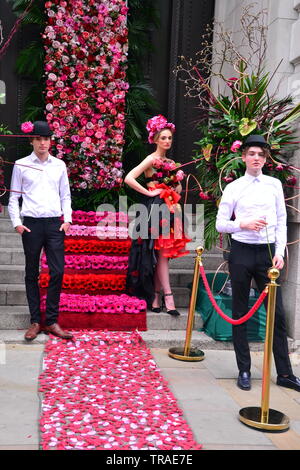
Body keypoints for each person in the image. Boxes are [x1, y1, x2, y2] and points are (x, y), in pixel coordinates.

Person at [216, 134, 300, 392]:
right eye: (251, 154)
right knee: (240, 312)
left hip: (266, 254)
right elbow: (221, 223)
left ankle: (285, 373)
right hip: (241, 251)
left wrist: (280, 252)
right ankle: (243, 369)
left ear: (265, 159)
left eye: (260, 155)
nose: (256, 158)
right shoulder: (234, 187)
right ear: (243, 157)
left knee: (277, 315)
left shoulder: (274, 184)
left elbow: (281, 219)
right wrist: (242, 223)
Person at [8, 120, 73, 341]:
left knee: (57, 271)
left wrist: (68, 220)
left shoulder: (59, 165)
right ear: (32, 140)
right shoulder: (21, 164)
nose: (42, 143)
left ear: (50, 141)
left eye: (46, 139)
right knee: (31, 273)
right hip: (31, 225)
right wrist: (17, 222)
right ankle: (36, 321)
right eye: (38, 139)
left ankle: (52, 321)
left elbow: (65, 195)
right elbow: (14, 197)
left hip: (55, 224)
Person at [124, 115, 191, 316]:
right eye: (163, 138)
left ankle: (155, 295)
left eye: (169, 138)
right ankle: (167, 297)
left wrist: (177, 179)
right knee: (160, 253)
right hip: (155, 208)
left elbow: (177, 188)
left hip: (172, 209)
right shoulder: (151, 159)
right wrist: (149, 191)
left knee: (164, 254)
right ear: (154, 139)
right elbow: (129, 178)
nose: (167, 141)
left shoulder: (170, 162)